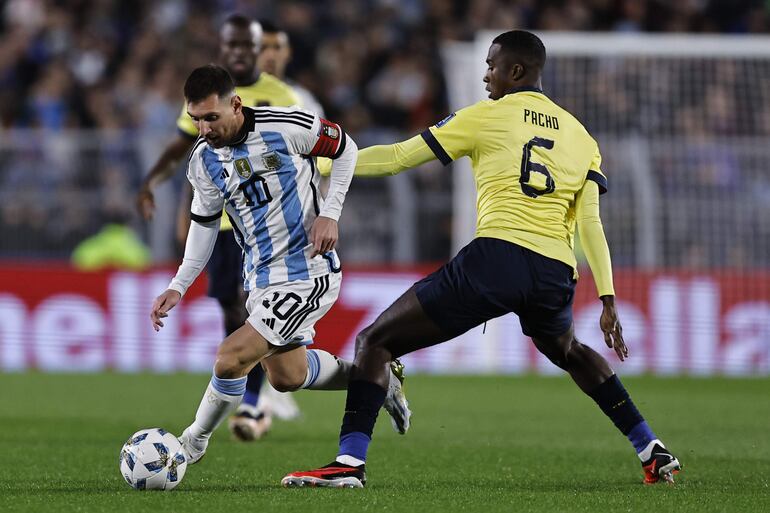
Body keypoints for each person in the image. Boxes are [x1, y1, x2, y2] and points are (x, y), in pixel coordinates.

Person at [282, 30, 681, 489]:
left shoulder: (486, 117)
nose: (485, 73)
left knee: (375, 341)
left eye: (492, 65)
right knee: (569, 350)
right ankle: (651, 448)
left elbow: (395, 158)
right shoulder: (581, 136)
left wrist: (323, 162)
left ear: (516, 71)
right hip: (554, 271)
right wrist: (607, 297)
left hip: (497, 258)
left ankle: (348, 464)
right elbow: (590, 224)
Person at [150, 64, 411, 466]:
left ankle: (190, 445)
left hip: (308, 271)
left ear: (236, 105)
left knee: (231, 356)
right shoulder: (203, 162)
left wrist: (331, 213)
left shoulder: (286, 126)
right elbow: (203, 228)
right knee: (286, 376)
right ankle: (376, 376)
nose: (203, 130)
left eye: (211, 118)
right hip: (260, 279)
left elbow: (346, 148)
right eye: (196, 119)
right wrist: (178, 285)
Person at [136, 14, 303, 442]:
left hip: (269, 223)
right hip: (223, 222)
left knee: (255, 305)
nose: (240, 53)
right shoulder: (203, 93)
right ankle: (256, 383)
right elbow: (186, 150)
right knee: (232, 305)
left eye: (248, 47)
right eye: (232, 46)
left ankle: (252, 398)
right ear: (224, 45)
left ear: (258, 49)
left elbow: (305, 152)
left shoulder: (280, 97)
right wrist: (158, 187)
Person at [257, 20, 325, 118]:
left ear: (288, 52)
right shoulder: (235, 96)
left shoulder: (303, 99)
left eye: (277, 48)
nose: (270, 56)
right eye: (262, 48)